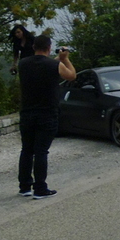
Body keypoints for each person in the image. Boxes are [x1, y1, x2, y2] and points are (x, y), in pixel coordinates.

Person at [17, 35, 76, 198]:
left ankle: (24, 186)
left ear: (33, 47)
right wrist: (65, 59)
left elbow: (43, 64)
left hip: (27, 113)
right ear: (49, 48)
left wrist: (59, 58)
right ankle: (40, 188)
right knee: (41, 151)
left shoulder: (23, 64)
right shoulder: (54, 65)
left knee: (27, 150)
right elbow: (71, 75)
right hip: (47, 113)